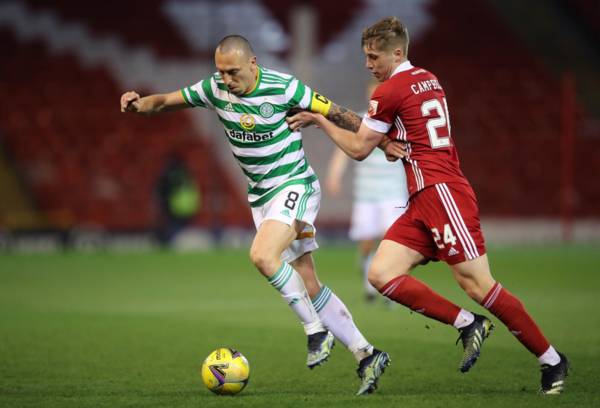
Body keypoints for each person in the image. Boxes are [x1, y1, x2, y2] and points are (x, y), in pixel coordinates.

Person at [287, 17, 569, 395]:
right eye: (366, 57)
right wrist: (392, 142)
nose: (368, 64)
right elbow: (411, 127)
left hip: (443, 193)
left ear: (398, 52)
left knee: (478, 284)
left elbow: (357, 149)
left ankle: (551, 360)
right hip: (423, 197)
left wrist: (321, 120)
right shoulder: (427, 77)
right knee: (381, 273)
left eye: (374, 57)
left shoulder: (388, 91)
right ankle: (468, 324)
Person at [119, 35, 392, 395]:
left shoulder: (284, 87)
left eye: (233, 72)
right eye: (221, 72)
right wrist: (139, 105)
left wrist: (386, 142)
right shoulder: (215, 88)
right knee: (308, 284)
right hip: (261, 198)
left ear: (253, 63)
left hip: (295, 185)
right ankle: (366, 353)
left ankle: (315, 332)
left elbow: (339, 112)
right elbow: (166, 102)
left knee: (263, 255)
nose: (227, 79)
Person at [325, 79, 408, 303]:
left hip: (393, 192)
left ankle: (388, 286)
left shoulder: (401, 123)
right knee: (366, 243)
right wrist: (334, 175)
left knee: (390, 240)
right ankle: (368, 277)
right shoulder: (361, 121)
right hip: (366, 193)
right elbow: (344, 150)